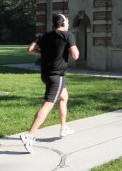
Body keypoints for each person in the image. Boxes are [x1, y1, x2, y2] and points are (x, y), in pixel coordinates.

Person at [21, 13, 80, 154]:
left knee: (64, 97)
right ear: (64, 22)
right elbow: (75, 55)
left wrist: (44, 53)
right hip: (57, 75)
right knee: (48, 104)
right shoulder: (67, 35)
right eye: (67, 21)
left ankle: (63, 127)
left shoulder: (44, 36)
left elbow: (30, 50)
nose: (68, 23)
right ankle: (29, 135)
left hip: (46, 74)